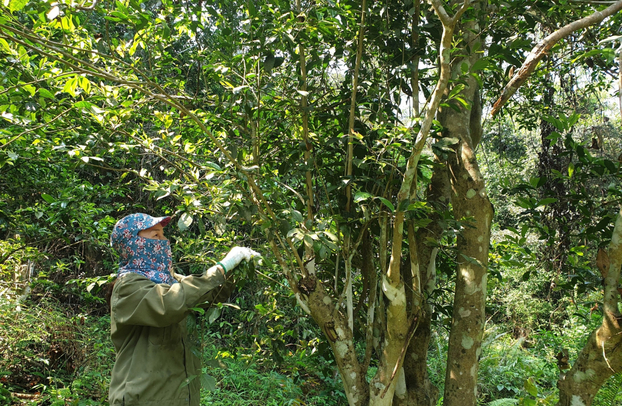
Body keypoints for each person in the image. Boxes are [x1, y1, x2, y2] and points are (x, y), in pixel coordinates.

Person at [107, 213, 260, 406]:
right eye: (155, 236)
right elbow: (169, 304)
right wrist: (220, 269)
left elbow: (205, 298)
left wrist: (234, 271)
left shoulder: (171, 280)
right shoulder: (128, 287)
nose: (163, 242)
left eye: (163, 235)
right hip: (141, 398)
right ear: (132, 245)